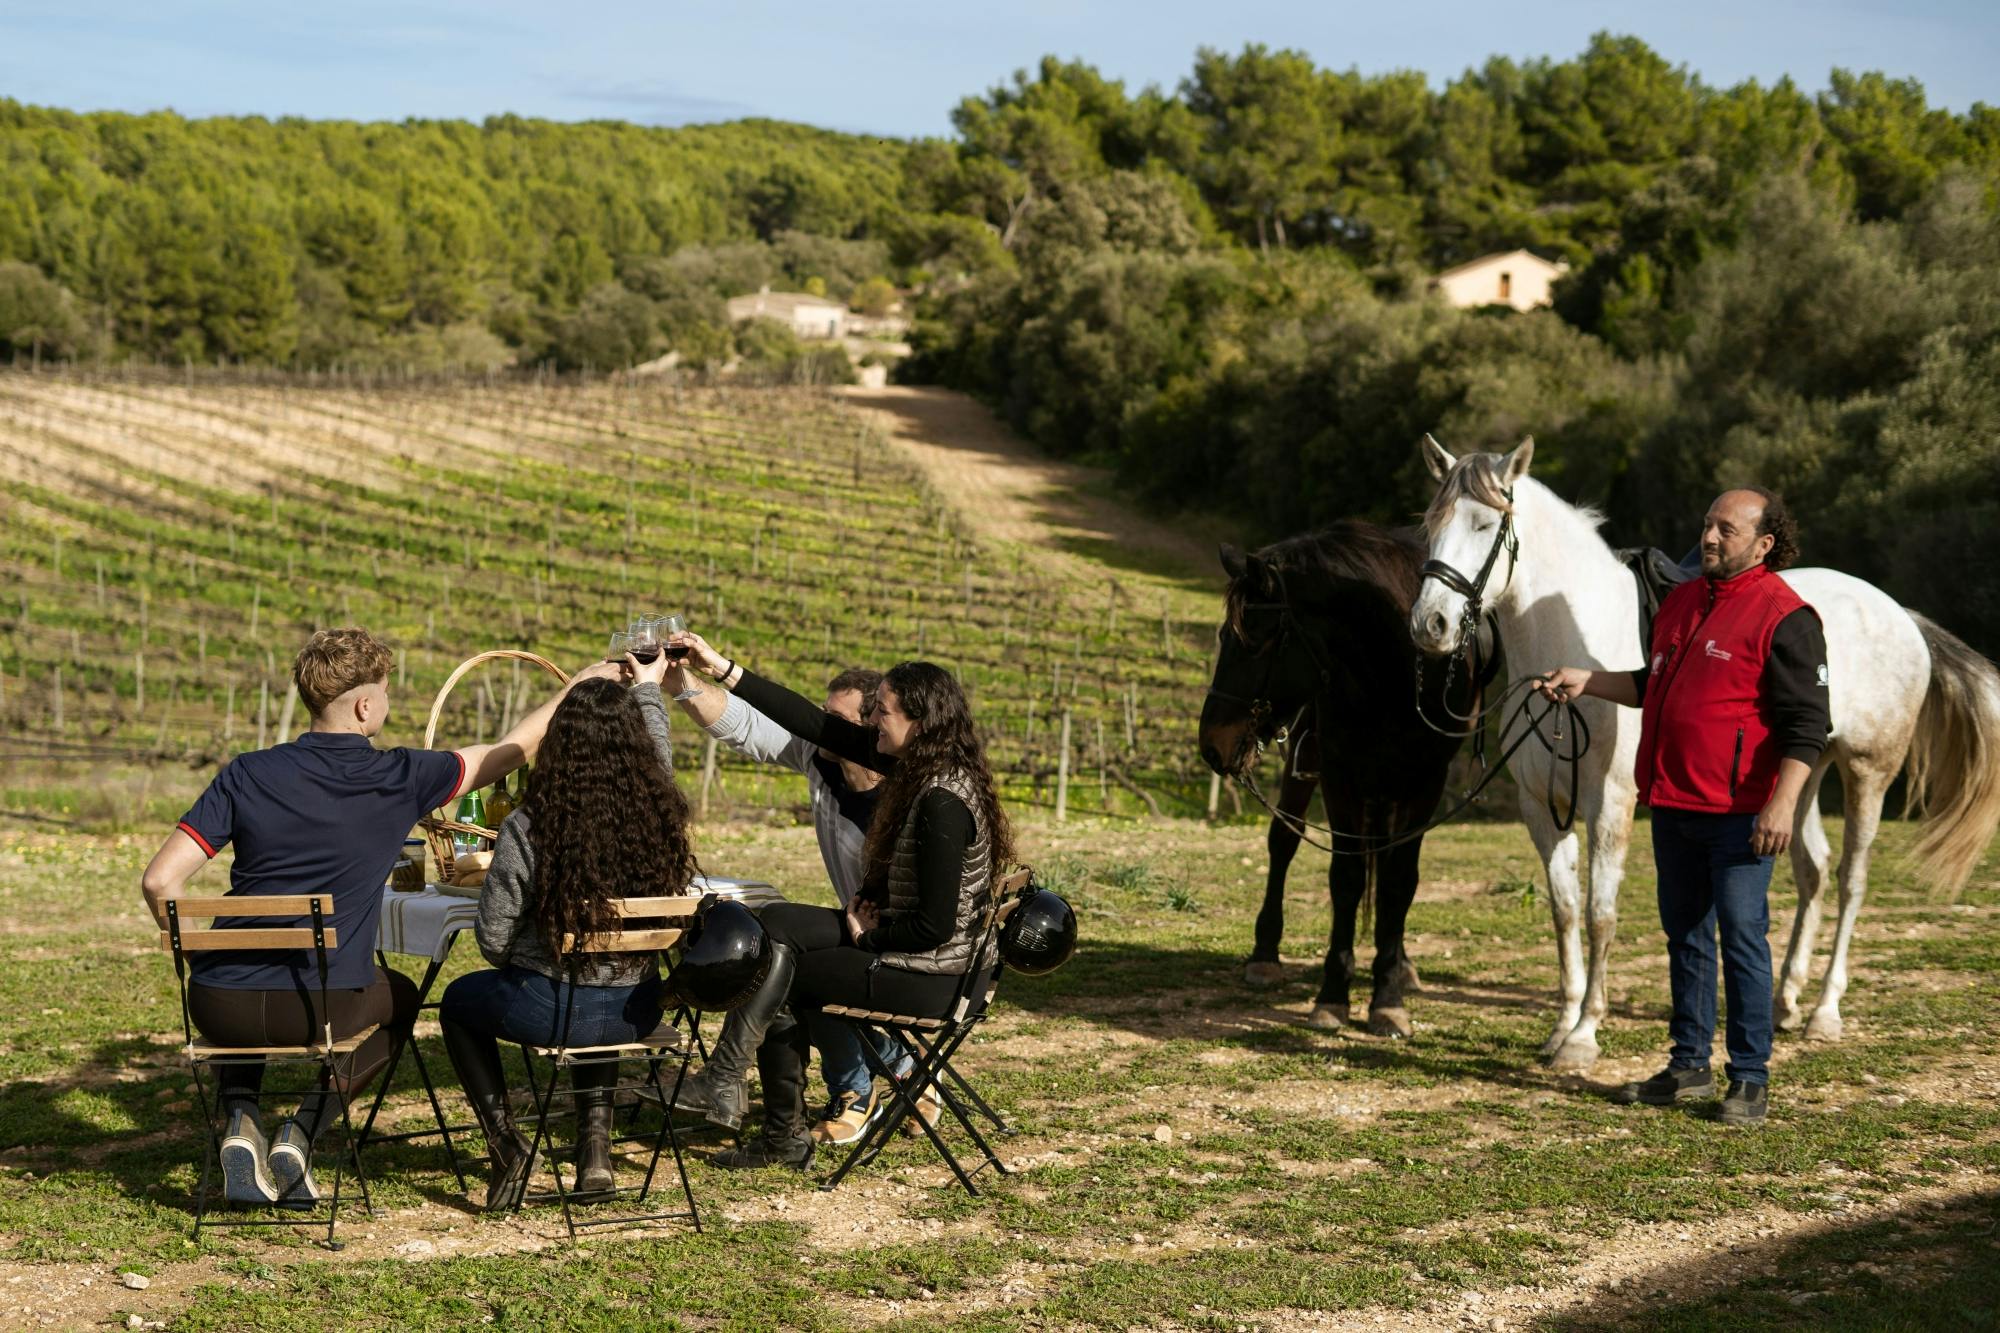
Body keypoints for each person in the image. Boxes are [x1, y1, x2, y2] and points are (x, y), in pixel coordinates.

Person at [139, 628, 606, 1208]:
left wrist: (198, 956)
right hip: (320, 1006)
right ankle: (300, 1132)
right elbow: (509, 750)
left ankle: (241, 1119)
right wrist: (579, 684)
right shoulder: (401, 777)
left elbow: (160, 881)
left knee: (241, 991)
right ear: (364, 706)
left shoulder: (246, 772)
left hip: (217, 1004)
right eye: (385, 691)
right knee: (401, 997)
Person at [1536, 487, 1829, 1125]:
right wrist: (1589, 680)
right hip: (1672, 803)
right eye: (1707, 524)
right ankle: (1688, 1066)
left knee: (1742, 941)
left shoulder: (1787, 617)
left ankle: (1749, 1078)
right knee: (1686, 939)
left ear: (1764, 544)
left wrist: (1782, 804)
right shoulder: (1681, 600)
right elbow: (1654, 682)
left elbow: (1808, 726)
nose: (1710, 537)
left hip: (1741, 813)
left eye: (1727, 529)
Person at [667, 629, 1013, 1169]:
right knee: (775, 926)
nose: (872, 722)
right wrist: (720, 667)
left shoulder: (942, 800)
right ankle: (731, 1083)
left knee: (774, 969)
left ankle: (761, 1112)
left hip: (931, 976)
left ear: (919, 722)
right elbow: (812, 723)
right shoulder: (922, 766)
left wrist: (867, 936)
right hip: (931, 961)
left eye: (883, 713)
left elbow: (935, 927)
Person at [438, 650, 697, 1210]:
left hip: (554, 1011)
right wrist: (649, 689)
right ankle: (595, 1155)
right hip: (639, 1008)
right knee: (599, 990)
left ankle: (505, 1142)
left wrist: (535, 953)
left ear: (557, 746)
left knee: (458, 1002)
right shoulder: (659, 815)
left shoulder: (529, 826)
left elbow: (493, 942)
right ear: (635, 746)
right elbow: (660, 756)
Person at [662, 663, 926, 1147]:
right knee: (783, 949)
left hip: (899, 940)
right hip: (859, 923)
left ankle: (853, 1092)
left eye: (836, 719)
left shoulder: (904, 795)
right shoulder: (816, 757)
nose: (821, 725)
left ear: (870, 727)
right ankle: (903, 1065)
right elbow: (741, 724)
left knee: (791, 964)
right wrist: (678, 683)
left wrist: (869, 929)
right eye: (822, 713)